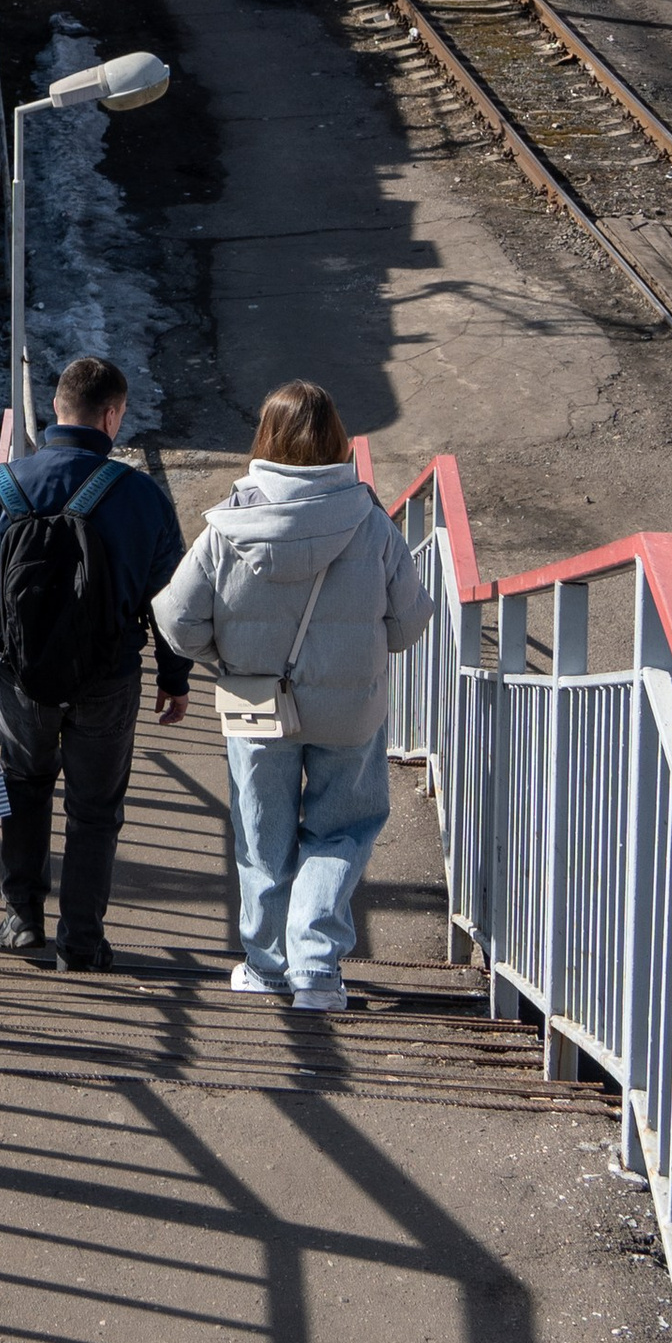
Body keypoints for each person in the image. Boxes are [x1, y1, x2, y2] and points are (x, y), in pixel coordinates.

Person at [152, 378, 429, 1015]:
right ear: (336, 438)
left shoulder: (229, 526)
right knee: (343, 828)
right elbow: (410, 622)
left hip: (256, 706)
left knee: (260, 830)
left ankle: (265, 964)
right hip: (349, 708)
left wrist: (225, 659)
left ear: (266, 439)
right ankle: (317, 971)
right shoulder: (371, 523)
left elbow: (174, 619)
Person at [0, 353, 191, 972]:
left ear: (55, 410)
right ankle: (81, 940)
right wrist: (175, 678)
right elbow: (174, 600)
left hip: (21, 676)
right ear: (111, 416)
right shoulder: (141, 495)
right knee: (95, 809)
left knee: (24, 786)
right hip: (109, 675)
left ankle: (22, 919)